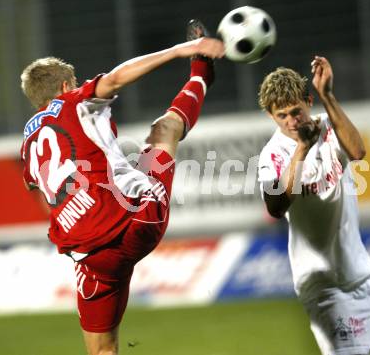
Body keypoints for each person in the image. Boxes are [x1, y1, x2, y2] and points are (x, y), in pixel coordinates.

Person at [20, 20, 224, 355]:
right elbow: (114, 78)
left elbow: (42, 197)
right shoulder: (74, 101)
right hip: (136, 219)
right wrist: (181, 49)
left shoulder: (27, 144)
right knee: (164, 130)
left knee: (102, 351)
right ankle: (200, 74)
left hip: (91, 255)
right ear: (68, 84)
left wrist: (77, 216)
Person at [257, 56, 370, 355]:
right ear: (270, 116)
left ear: (307, 101)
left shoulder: (329, 127)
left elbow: (357, 151)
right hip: (326, 286)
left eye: (296, 111)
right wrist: (302, 148)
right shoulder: (272, 155)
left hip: (364, 272)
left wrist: (327, 94)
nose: (292, 121)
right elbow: (275, 206)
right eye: (282, 116)